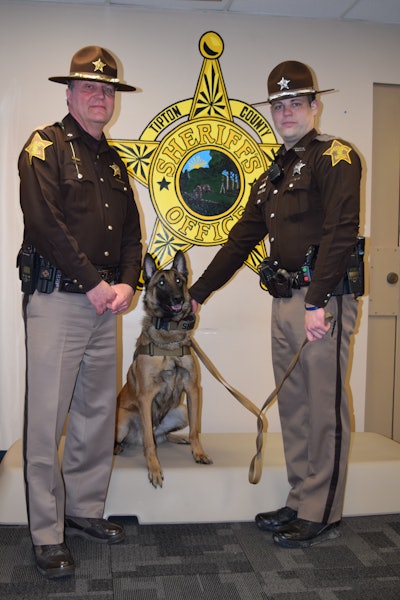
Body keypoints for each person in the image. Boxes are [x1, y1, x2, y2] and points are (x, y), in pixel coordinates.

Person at [189, 60, 362, 548]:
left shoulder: (336, 157)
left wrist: (317, 300)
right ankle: (302, 498)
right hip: (285, 299)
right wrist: (197, 294)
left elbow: (341, 231)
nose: (286, 112)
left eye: (295, 103)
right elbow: (241, 239)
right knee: (295, 407)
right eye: (279, 105)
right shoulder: (274, 173)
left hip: (322, 301)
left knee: (324, 407)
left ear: (314, 106)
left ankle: (323, 511)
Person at [18, 46, 142, 578]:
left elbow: (134, 231)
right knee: (47, 419)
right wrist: (95, 283)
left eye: (106, 89)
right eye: (88, 87)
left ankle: (85, 510)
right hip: (58, 301)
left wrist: (128, 283)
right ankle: (47, 533)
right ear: (69, 93)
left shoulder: (113, 158)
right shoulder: (44, 146)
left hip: (103, 306)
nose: (99, 96)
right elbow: (44, 223)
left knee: (96, 415)